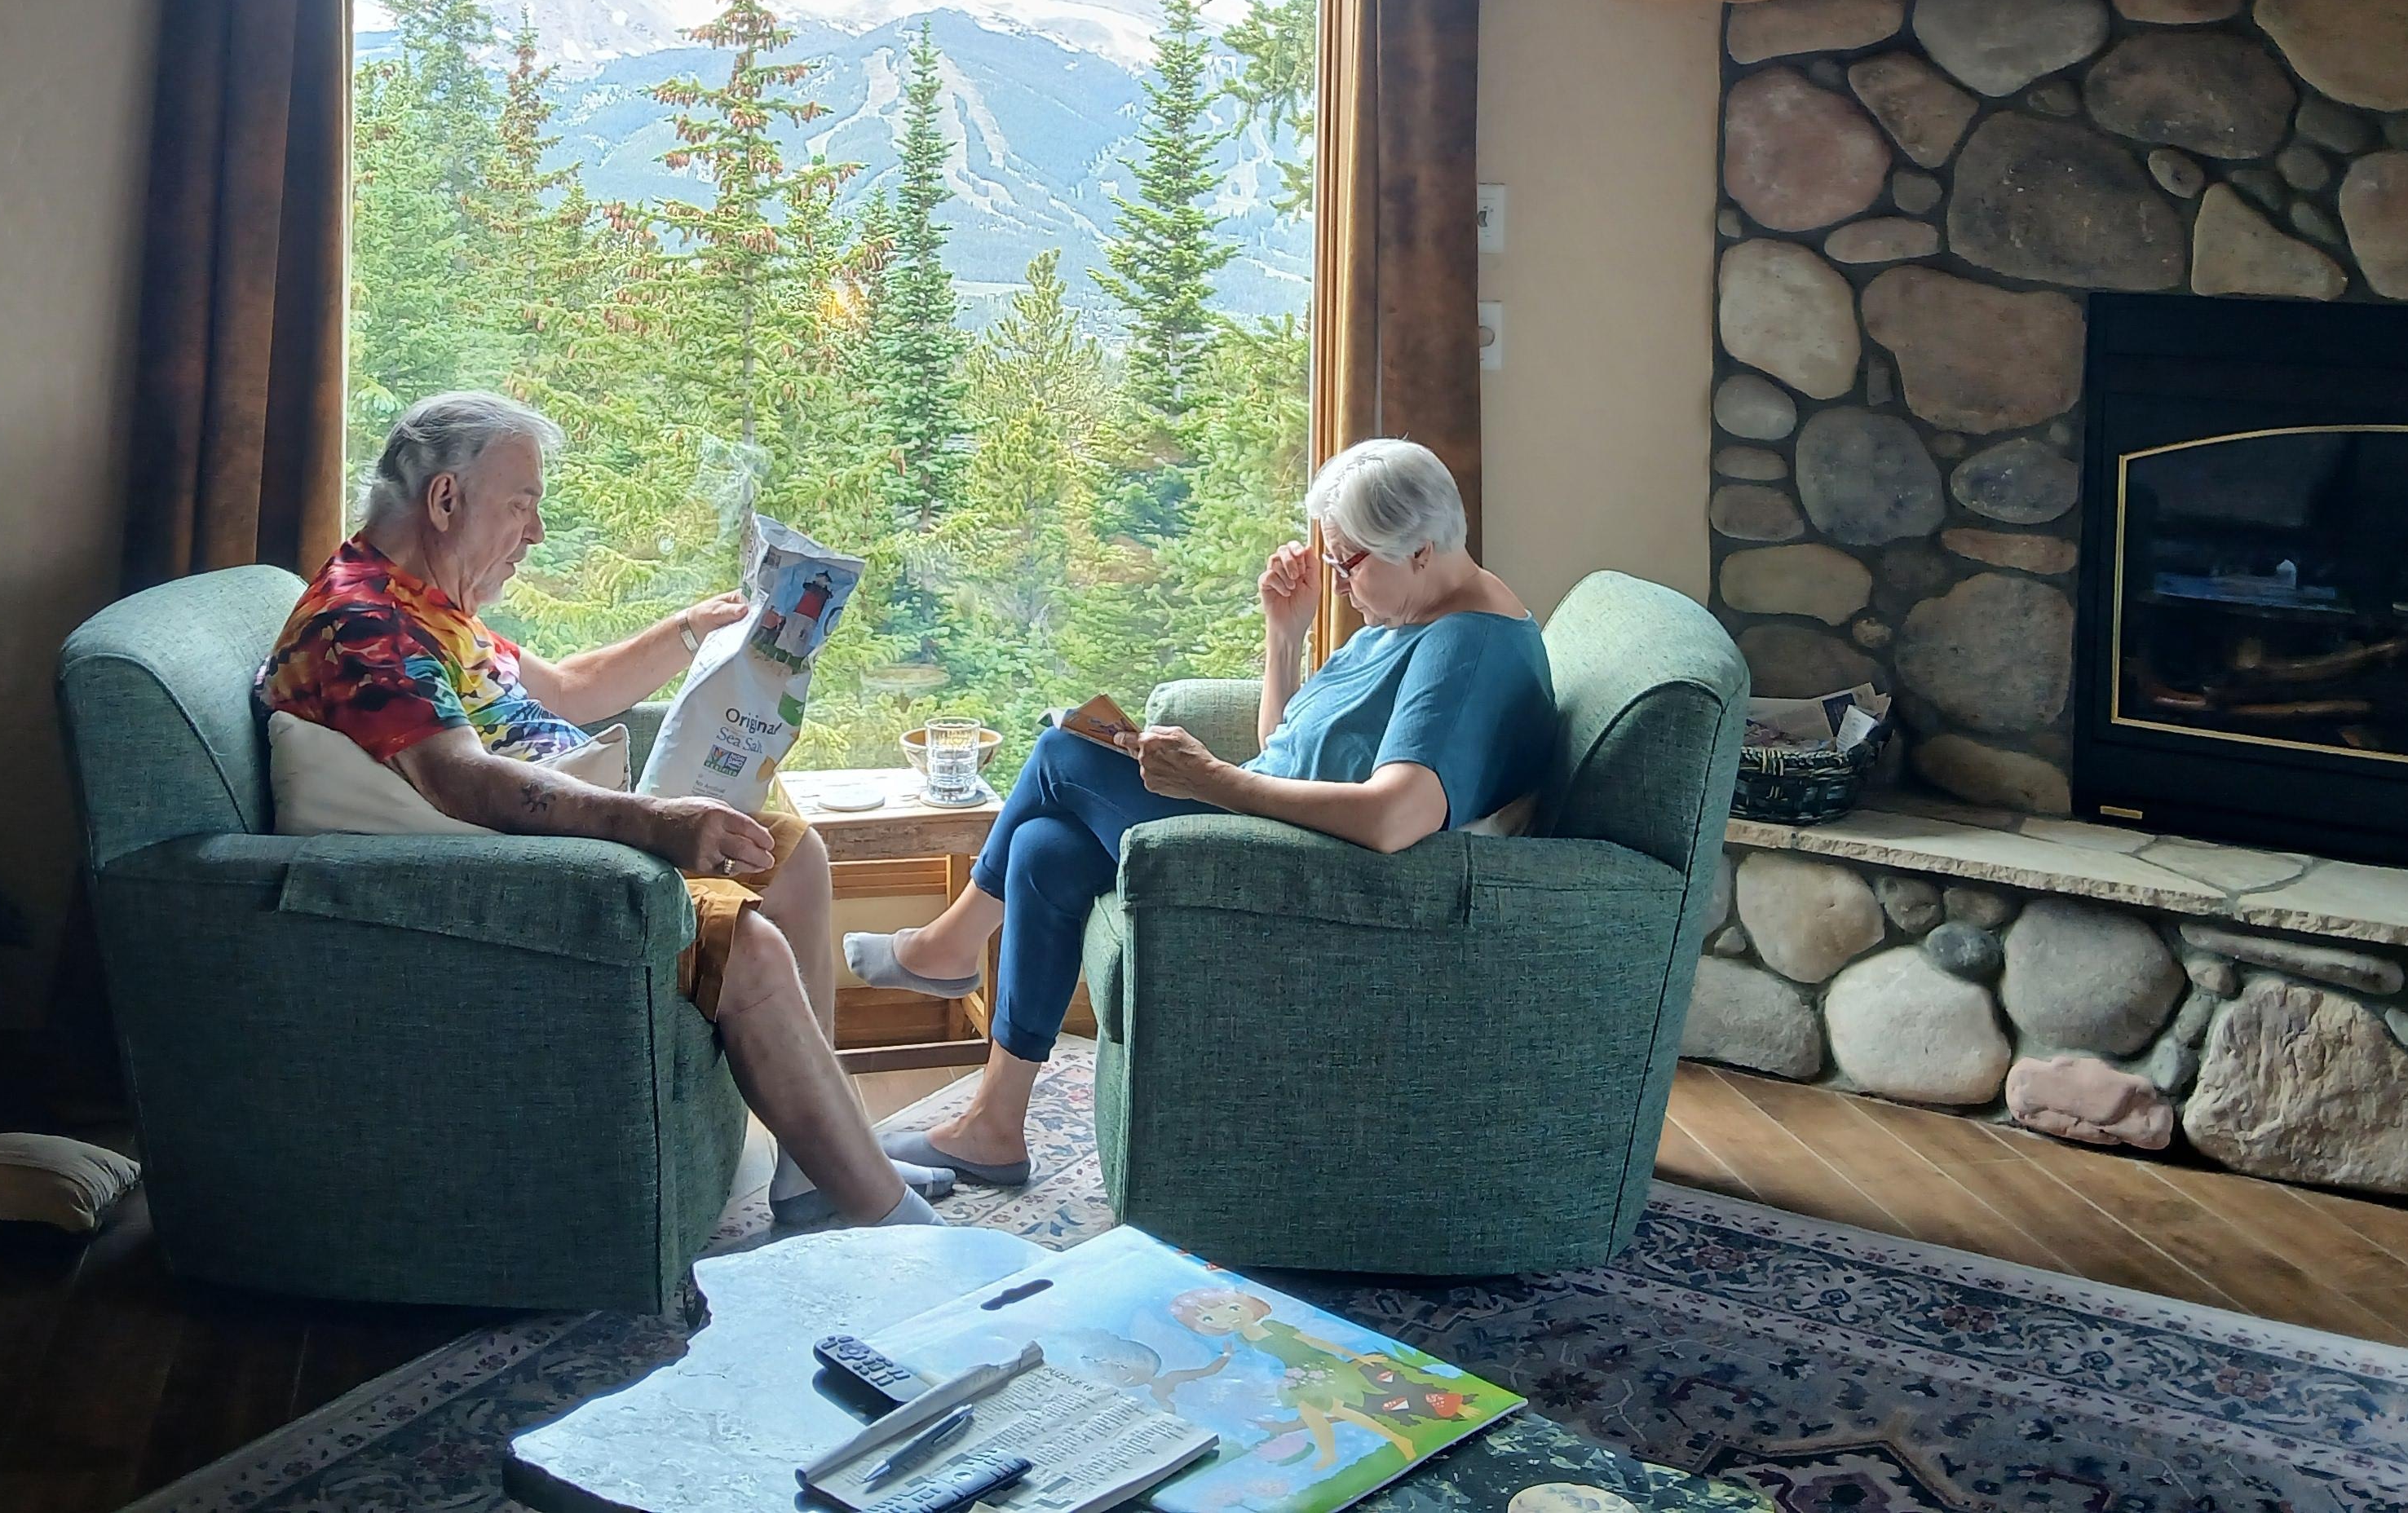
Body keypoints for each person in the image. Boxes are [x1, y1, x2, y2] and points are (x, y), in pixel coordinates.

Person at [258, 391, 945, 1233]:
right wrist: (653, 822)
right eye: (524, 504)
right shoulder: (362, 626)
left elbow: (573, 691)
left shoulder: (420, 605)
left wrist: (695, 630)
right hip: (538, 877)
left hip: (575, 842)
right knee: (748, 941)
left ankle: (816, 1172)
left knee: (789, 854)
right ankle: (887, 1220)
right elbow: (462, 782)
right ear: (445, 500)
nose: (537, 532)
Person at [846, 436, 1556, 1186]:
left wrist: (1211, 780)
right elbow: (1287, 746)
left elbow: (1393, 818)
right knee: (1045, 852)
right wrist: (1284, 633)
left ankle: (947, 950)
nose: (1342, 584)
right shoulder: (1413, 616)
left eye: (1348, 563)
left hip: (1294, 875)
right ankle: (993, 1127)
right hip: (1264, 833)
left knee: (1061, 758)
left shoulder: (1465, 649)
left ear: (1418, 549)